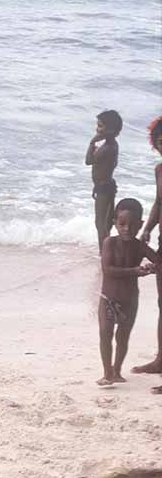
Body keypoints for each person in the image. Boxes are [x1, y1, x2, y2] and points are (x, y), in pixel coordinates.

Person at [97, 198, 158, 387]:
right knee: (105, 335)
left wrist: (152, 267)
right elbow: (108, 270)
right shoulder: (109, 243)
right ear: (115, 222)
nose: (126, 229)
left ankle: (117, 370)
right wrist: (135, 271)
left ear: (140, 225)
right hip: (108, 299)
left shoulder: (139, 246)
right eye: (122, 224)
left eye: (132, 225)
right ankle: (107, 372)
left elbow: (157, 260)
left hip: (129, 301)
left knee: (122, 338)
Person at [132, 117, 162, 391]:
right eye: (159, 139)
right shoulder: (160, 169)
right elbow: (158, 203)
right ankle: (160, 360)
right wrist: (147, 230)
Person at [86, 110, 122, 251]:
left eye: (100, 126)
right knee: (105, 224)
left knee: (101, 224)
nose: (97, 129)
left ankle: (104, 255)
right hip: (106, 187)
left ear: (111, 130)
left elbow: (88, 161)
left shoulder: (107, 147)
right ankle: (107, 252)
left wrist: (92, 142)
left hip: (104, 189)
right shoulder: (111, 145)